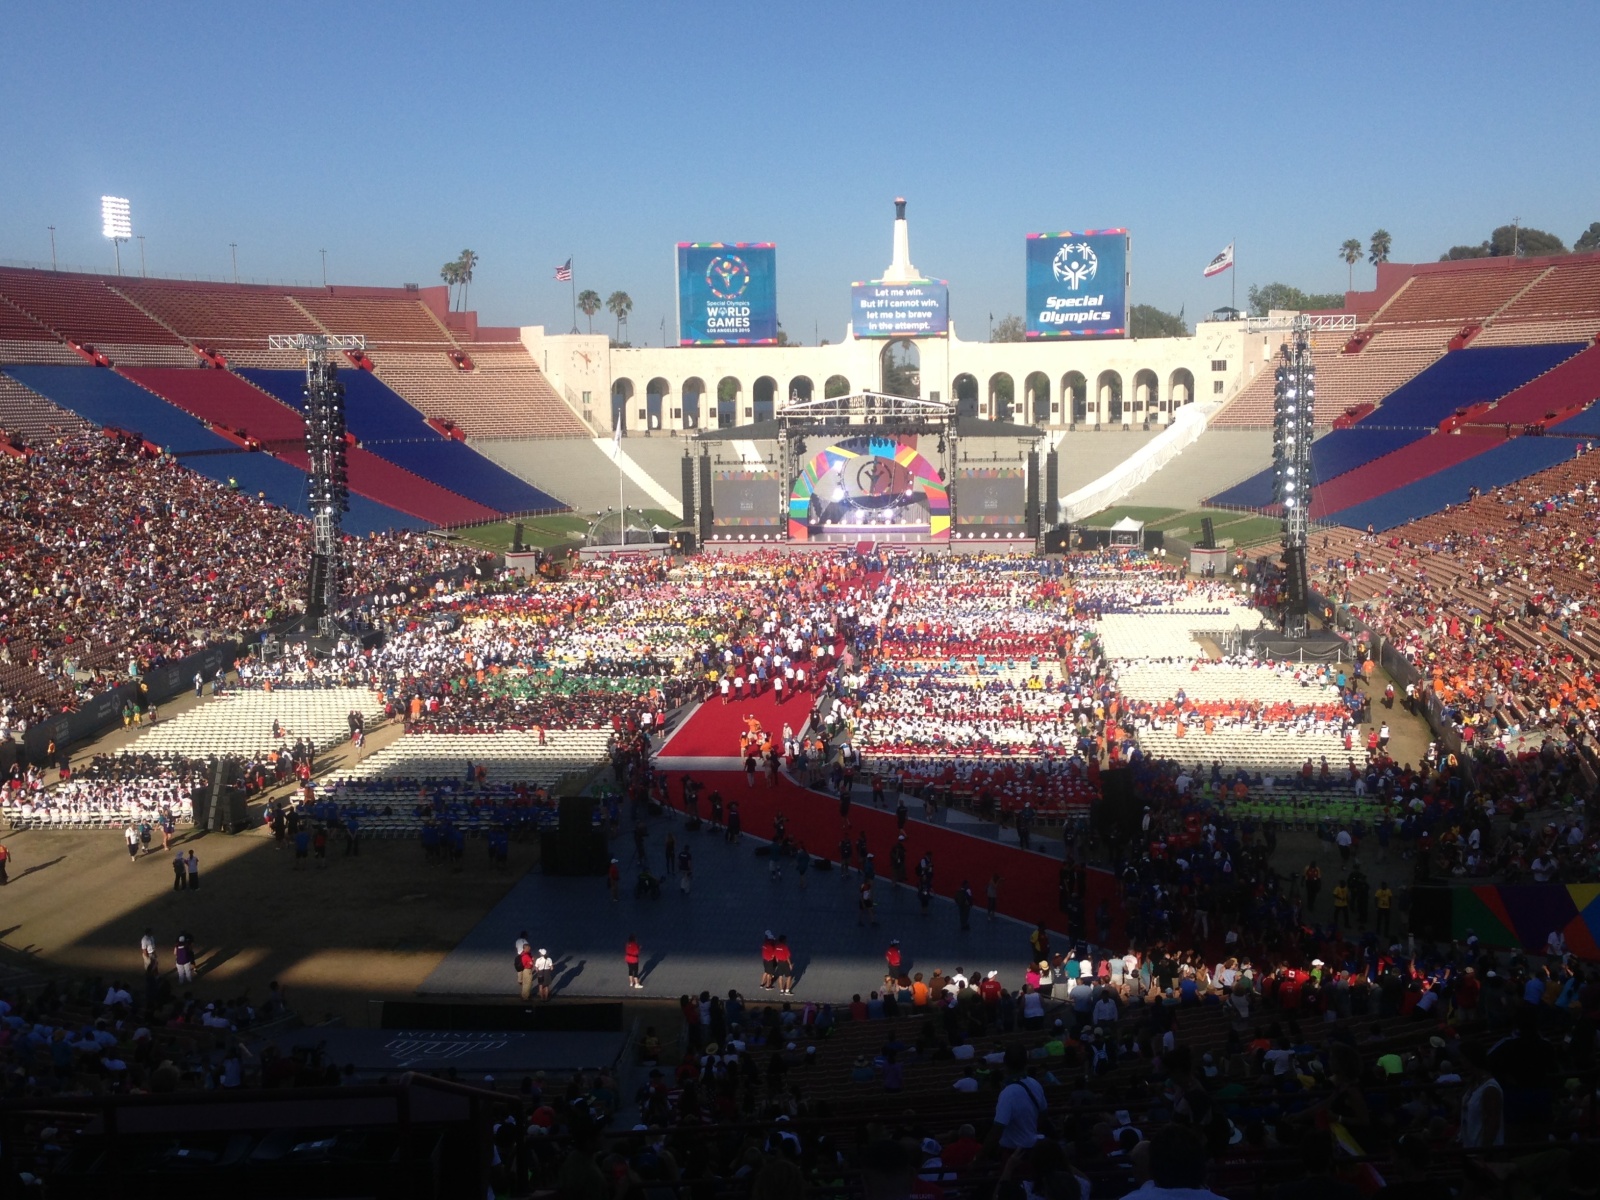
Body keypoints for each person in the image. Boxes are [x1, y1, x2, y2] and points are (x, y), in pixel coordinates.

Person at [984, 1044, 1048, 1152]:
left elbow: (997, 1130)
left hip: (1013, 1151)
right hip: (1033, 1146)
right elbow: (1044, 1114)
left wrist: (977, 1159)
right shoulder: (1035, 1084)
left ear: (1005, 1063)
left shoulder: (1007, 1093)